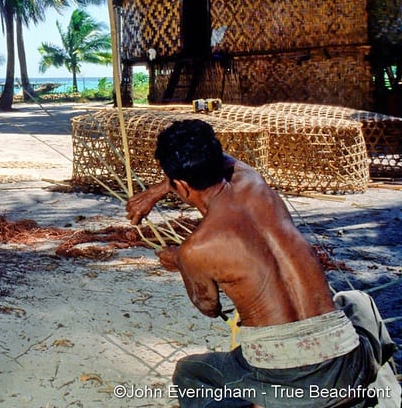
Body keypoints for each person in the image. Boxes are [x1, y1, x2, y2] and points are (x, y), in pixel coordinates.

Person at [126, 119, 399, 408]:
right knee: (358, 300)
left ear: (180, 185)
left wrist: (180, 261)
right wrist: (158, 190)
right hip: (348, 366)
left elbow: (210, 307)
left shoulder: (196, 248)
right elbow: (225, 161)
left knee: (190, 373)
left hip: (288, 383)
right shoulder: (254, 181)